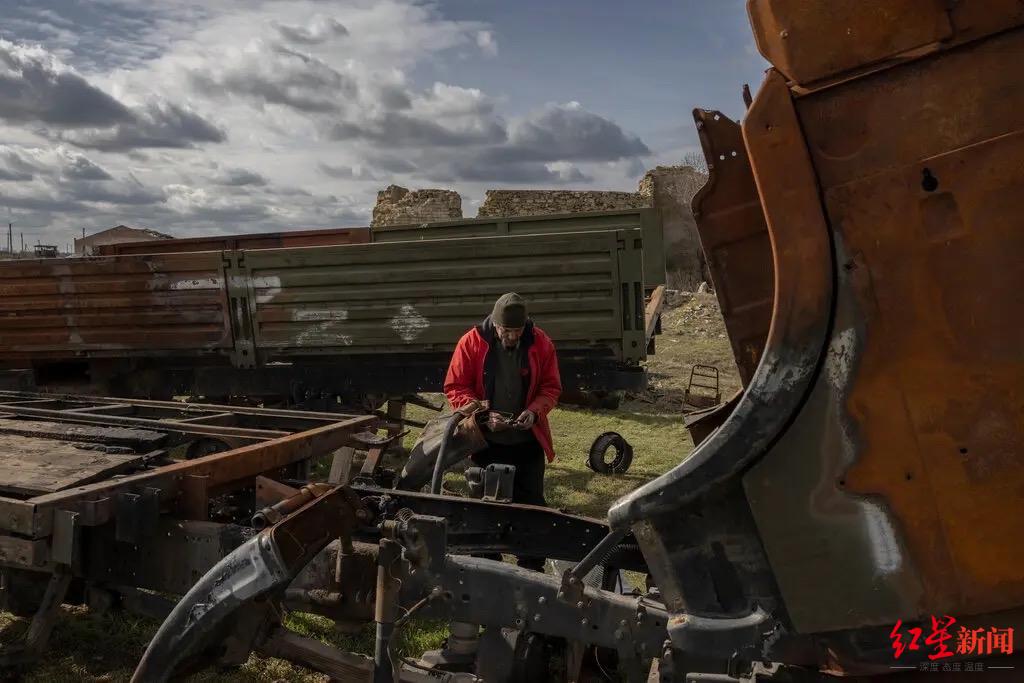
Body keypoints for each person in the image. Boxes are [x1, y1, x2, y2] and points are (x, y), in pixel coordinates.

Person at [443, 292, 561, 514]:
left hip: (527, 443)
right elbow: (455, 386)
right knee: (483, 511)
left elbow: (551, 387)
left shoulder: (542, 343)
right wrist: (483, 416)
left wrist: (534, 412)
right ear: (495, 324)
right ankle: (485, 550)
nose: (513, 337)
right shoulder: (470, 342)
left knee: (531, 509)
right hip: (484, 443)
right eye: (506, 331)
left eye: (518, 331)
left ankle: (527, 549)